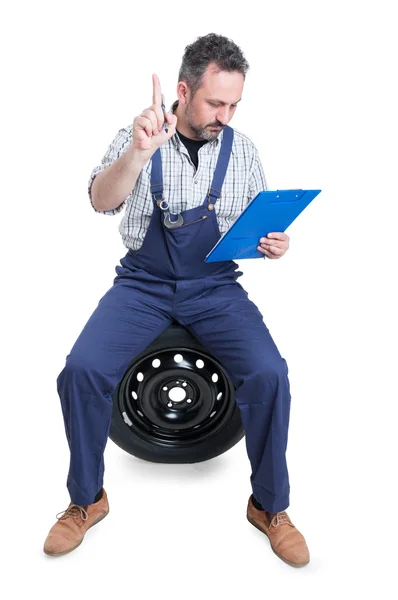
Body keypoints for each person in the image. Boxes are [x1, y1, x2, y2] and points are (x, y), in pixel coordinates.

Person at [43, 33, 309, 567]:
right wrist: (139, 156)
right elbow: (101, 200)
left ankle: (270, 507)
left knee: (269, 373)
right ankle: (86, 500)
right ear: (184, 91)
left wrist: (270, 243)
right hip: (142, 285)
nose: (225, 115)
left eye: (234, 104)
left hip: (215, 287)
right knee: (82, 371)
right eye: (215, 103)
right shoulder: (136, 135)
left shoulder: (243, 150)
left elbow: (248, 224)